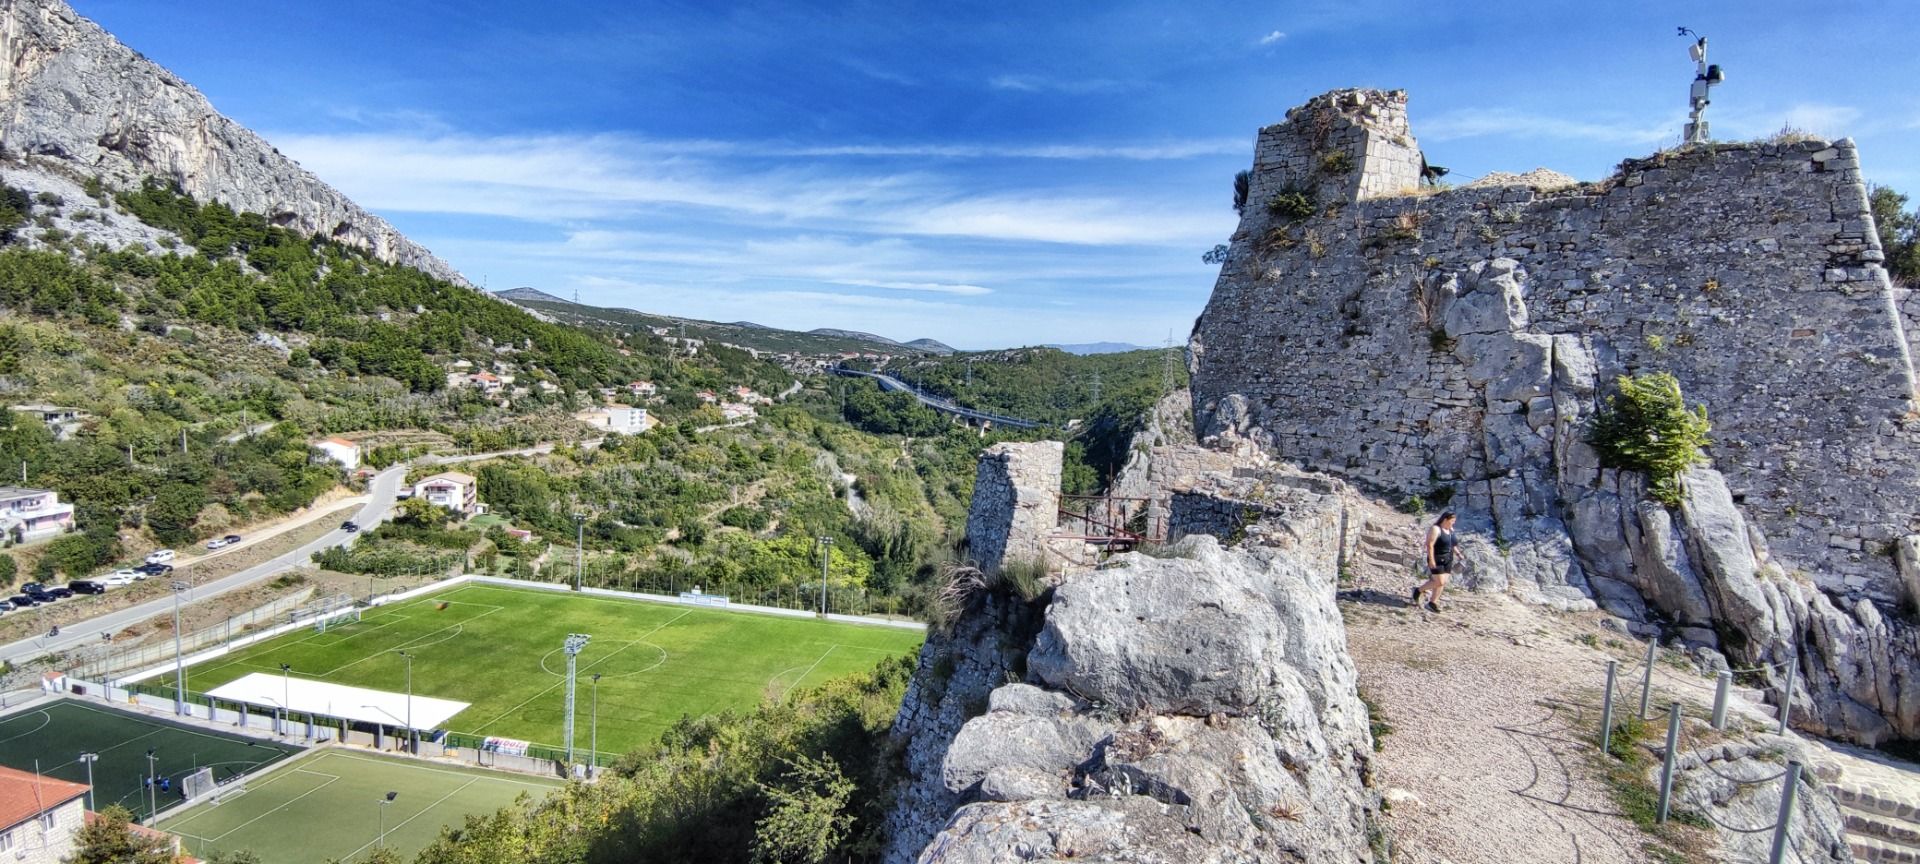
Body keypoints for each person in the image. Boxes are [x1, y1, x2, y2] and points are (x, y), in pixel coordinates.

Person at [1411, 510, 1458, 612]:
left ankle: (1433, 602)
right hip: (1437, 557)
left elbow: (1452, 544)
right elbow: (1430, 544)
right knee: (1439, 581)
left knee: (1443, 582)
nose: (1453, 523)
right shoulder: (1435, 529)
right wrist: (1431, 559)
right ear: (1445, 519)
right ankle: (1418, 590)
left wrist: (1458, 553)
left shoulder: (1450, 530)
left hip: (1448, 558)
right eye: (1452, 520)